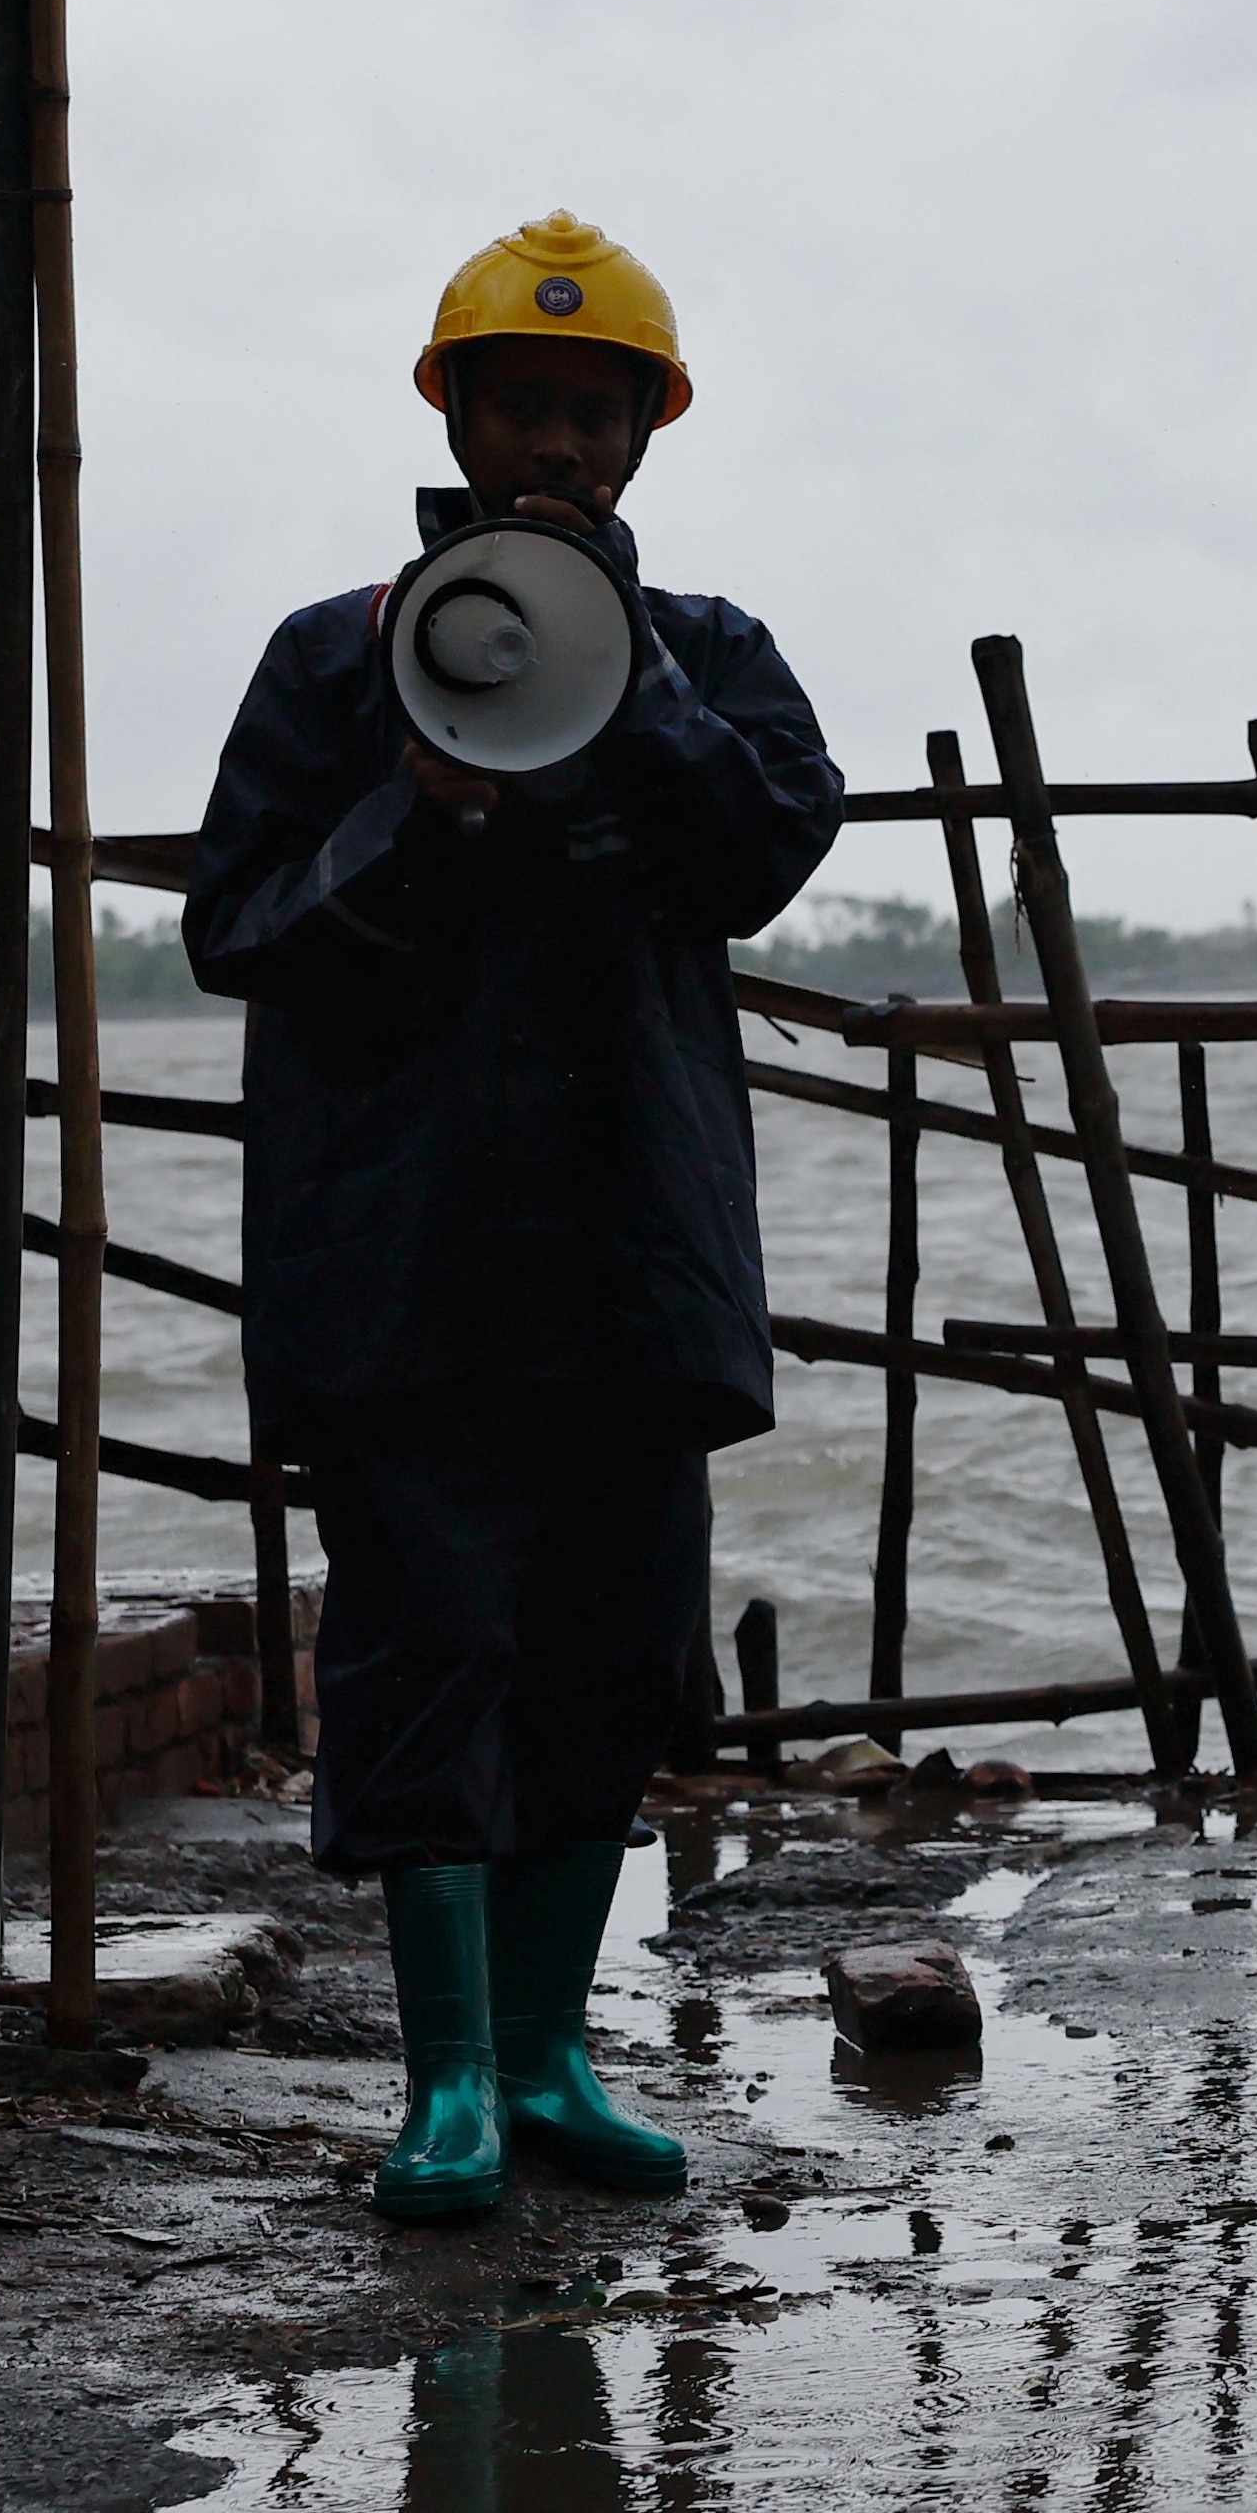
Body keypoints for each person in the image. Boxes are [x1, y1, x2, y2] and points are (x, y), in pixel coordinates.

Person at [185, 213, 843, 2218]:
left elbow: (768, 848)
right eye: (523, 406)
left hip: (631, 1253)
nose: (558, 444)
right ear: (457, 419)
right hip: (406, 1260)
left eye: (594, 412)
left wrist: (628, 687)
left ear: (645, 436)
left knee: (611, 1655)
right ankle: (449, 2076)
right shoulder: (335, 657)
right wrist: (417, 807)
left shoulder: (713, 653)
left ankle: (550, 2052)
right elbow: (237, 925)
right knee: (429, 1647)